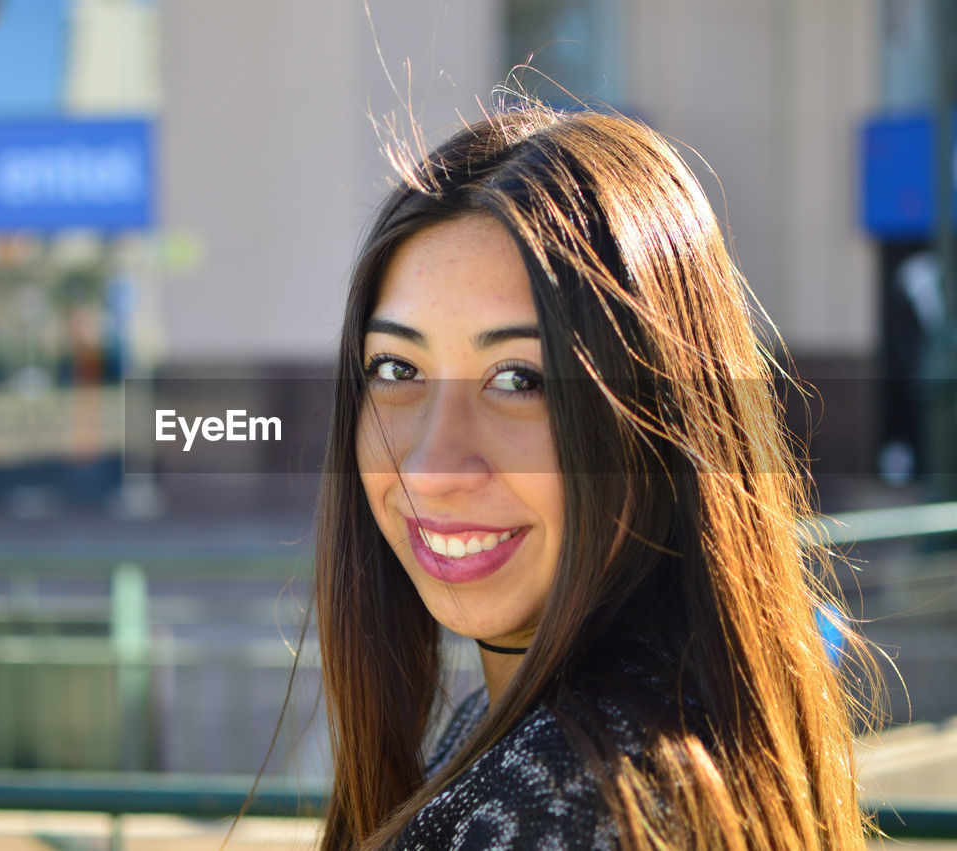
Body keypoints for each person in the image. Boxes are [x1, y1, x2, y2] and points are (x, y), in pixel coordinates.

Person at [310, 97, 881, 849]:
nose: (433, 467)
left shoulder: (576, 801)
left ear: (665, 418)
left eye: (520, 379)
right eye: (397, 367)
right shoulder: (623, 732)